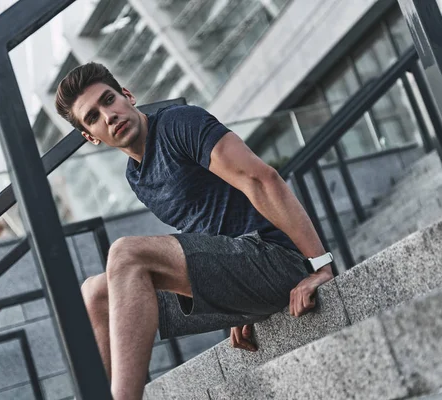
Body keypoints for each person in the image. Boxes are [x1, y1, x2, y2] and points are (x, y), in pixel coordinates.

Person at [55, 62, 334, 400]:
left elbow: (261, 179)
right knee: (95, 293)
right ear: (91, 137)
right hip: (239, 273)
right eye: (94, 117)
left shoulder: (179, 123)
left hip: (275, 257)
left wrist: (320, 266)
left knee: (126, 254)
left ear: (127, 95)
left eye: (109, 100)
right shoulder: (136, 176)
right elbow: (204, 231)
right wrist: (237, 302)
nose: (109, 115)